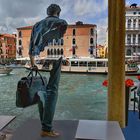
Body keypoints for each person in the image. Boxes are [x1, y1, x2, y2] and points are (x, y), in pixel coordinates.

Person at [28, 4, 67, 137]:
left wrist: (33, 63)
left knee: (41, 92)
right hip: (54, 59)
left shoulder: (36, 25)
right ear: (58, 13)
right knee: (52, 91)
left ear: (47, 12)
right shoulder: (62, 23)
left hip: (38, 60)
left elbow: (31, 46)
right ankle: (47, 128)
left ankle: (45, 125)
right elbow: (58, 39)